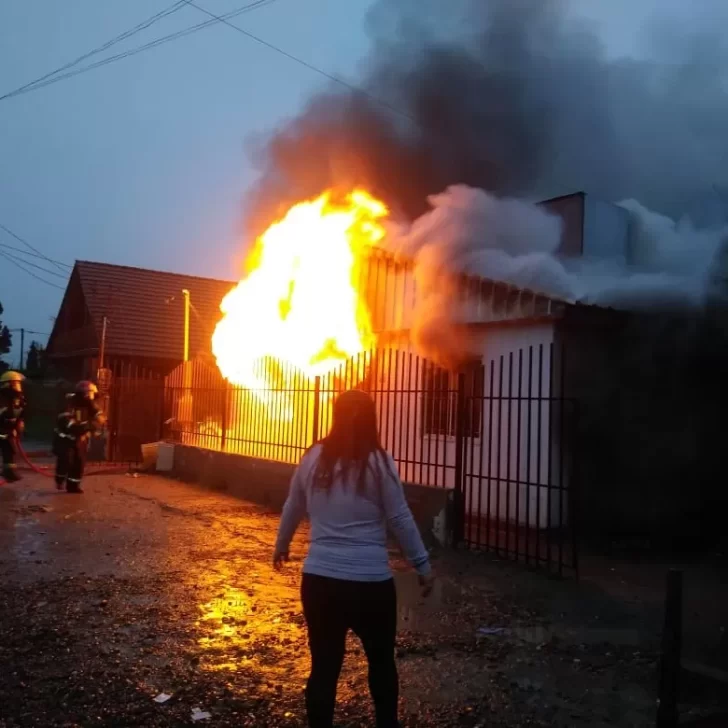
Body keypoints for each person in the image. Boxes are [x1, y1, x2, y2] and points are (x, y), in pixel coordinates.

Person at [274, 388, 434, 728]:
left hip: (320, 582)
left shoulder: (313, 458)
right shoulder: (380, 462)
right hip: (370, 585)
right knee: (381, 663)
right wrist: (422, 565)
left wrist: (282, 545)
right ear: (373, 421)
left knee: (324, 668)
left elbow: (293, 504)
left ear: (334, 416)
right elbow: (400, 518)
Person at [53, 380, 105, 493]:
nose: (91, 398)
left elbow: (100, 418)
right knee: (66, 461)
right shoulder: (69, 404)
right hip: (65, 440)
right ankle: (60, 480)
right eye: (90, 394)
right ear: (84, 393)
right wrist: (89, 426)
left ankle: (73, 486)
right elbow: (69, 424)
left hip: (80, 440)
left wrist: (98, 421)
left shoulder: (89, 404)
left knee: (79, 463)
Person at [0, 370, 26, 482]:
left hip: (8, 430)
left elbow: (21, 413)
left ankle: (9, 472)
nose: (18, 386)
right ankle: (8, 472)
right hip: (2, 429)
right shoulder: (2, 398)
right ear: (9, 384)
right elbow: (5, 414)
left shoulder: (18, 398)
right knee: (8, 449)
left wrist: (19, 423)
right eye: (16, 383)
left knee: (9, 450)